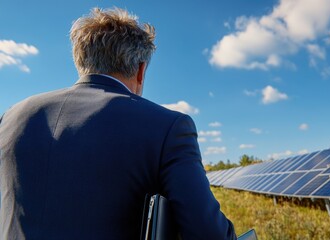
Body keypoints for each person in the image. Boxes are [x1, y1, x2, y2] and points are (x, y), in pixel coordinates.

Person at [0, 7, 236, 239]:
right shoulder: (169, 127)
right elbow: (209, 233)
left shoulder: (12, 117)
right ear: (141, 70)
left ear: (81, 60)